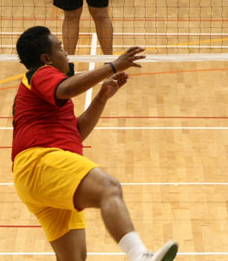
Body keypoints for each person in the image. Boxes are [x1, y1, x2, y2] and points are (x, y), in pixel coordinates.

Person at [12, 26, 178, 261]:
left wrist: (101, 98)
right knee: (108, 188)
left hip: (37, 177)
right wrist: (113, 66)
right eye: (60, 47)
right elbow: (68, 88)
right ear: (46, 58)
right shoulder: (41, 73)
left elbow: (75, 134)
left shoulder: (42, 92)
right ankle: (140, 255)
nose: (66, 53)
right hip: (40, 163)